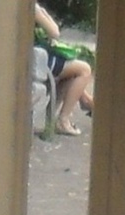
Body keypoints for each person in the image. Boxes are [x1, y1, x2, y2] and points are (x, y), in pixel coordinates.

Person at [34, 3, 94, 136]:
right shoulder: (31, 8)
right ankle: (64, 119)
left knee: (74, 70)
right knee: (84, 70)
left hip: (35, 57)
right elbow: (54, 32)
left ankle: (86, 102)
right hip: (39, 60)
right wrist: (43, 12)